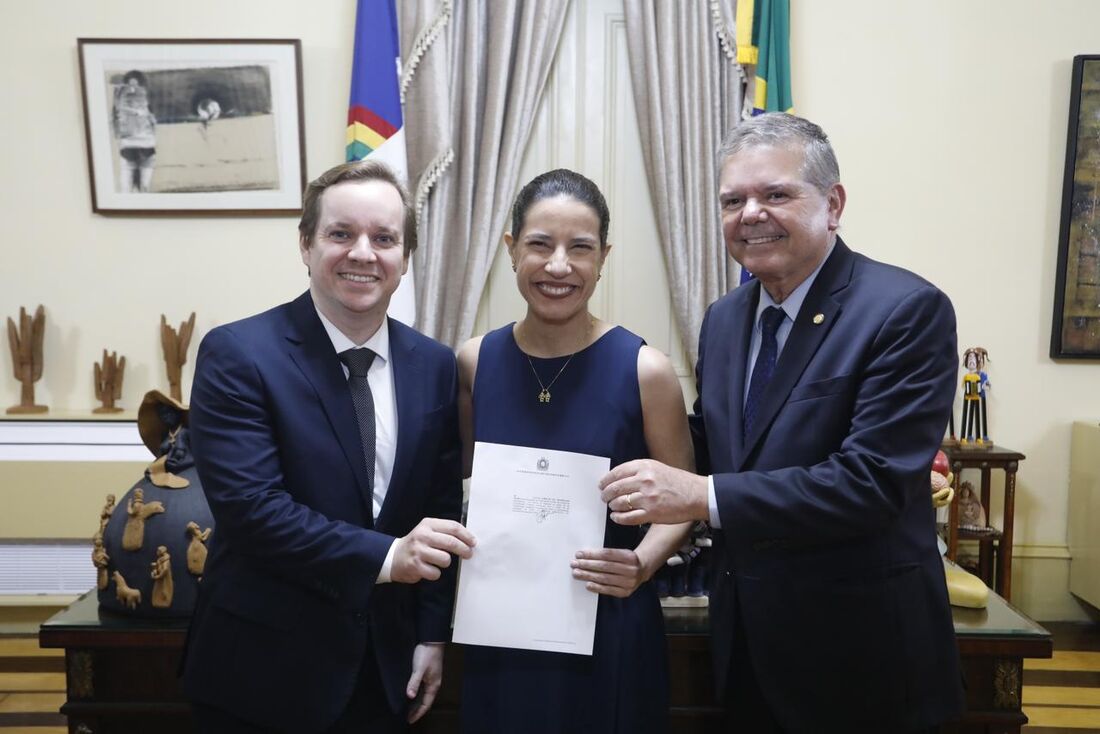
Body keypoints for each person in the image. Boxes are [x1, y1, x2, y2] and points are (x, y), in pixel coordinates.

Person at [599, 114, 964, 733]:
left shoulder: (905, 311)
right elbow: (713, 444)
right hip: (747, 651)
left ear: (833, 204)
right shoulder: (724, 319)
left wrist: (699, 495)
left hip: (863, 664)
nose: (751, 214)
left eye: (775, 194)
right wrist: (586, 449)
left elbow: (869, 483)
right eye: (732, 200)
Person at [181, 160, 475, 733]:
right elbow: (252, 511)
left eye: (384, 238)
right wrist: (389, 558)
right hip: (261, 674)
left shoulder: (435, 365)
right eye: (341, 233)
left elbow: (439, 510)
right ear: (306, 244)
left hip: (387, 671)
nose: (363, 253)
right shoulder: (238, 355)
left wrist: (431, 635)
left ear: (405, 258)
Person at [456, 169, 694, 733]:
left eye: (580, 248)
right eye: (540, 244)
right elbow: (459, 485)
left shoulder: (647, 370)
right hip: (501, 627)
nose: (558, 266)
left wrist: (641, 564)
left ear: (603, 257)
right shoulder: (473, 362)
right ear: (512, 249)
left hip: (609, 618)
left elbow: (684, 503)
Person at [112, 70, 157, 193]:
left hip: (146, 146)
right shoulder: (121, 100)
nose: (133, 88)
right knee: (127, 188)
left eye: (135, 85)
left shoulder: (145, 101)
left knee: (144, 187)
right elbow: (117, 116)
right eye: (130, 85)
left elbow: (152, 121)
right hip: (129, 146)